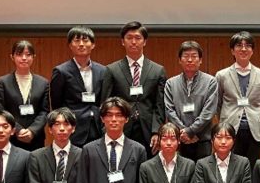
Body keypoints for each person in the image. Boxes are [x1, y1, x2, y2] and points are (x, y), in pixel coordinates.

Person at [101, 21, 167, 155]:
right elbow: (105, 103)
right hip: (121, 127)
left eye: (138, 38)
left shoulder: (157, 70)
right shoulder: (112, 70)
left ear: (144, 41)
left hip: (148, 129)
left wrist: (156, 131)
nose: (133, 42)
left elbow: (159, 105)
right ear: (122, 42)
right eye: (129, 38)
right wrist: (106, 130)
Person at [215, 31, 260, 167]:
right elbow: (218, 103)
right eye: (239, 45)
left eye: (248, 46)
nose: (244, 49)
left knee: (252, 167)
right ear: (232, 50)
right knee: (231, 167)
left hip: (254, 129)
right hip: (230, 128)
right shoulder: (221, 75)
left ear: (252, 50)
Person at [50, 25, 107, 146]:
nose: (81, 44)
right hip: (73, 128)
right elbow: (57, 105)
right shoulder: (61, 71)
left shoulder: (103, 70)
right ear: (70, 45)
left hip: (98, 127)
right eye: (77, 40)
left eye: (85, 40)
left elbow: (104, 100)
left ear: (93, 44)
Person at [163, 40, 218, 161]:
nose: (189, 60)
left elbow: (208, 112)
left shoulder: (211, 82)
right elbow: (169, 111)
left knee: (203, 172)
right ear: (179, 60)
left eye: (194, 56)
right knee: (182, 172)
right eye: (186, 56)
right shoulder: (171, 83)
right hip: (180, 139)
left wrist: (191, 131)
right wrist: (184, 132)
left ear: (200, 60)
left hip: (202, 139)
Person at [0, 39, 50, 151]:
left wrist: (32, 130)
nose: (24, 58)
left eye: (28, 55)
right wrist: (18, 130)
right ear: (12, 57)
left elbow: (45, 111)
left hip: (35, 138)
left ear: (33, 57)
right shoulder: (3, 82)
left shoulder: (43, 83)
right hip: (11, 136)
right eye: (19, 54)